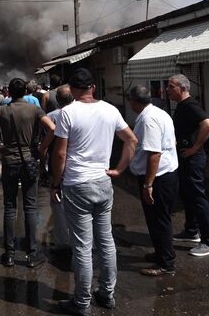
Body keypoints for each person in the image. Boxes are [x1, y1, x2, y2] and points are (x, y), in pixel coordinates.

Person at [52, 68, 137, 315]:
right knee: (106, 241)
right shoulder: (110, 110)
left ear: (72, 89)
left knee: (82, 246)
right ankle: (107, 295)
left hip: (77, 184)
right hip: (103, 182)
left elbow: (60, 153)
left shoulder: (68, 113)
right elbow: (132, 140)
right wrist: (119, 169)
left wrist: (56, 182)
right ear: (93, 87)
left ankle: (82, 303)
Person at [0, 78, 55, 268]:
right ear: (26, 92)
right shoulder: (34, 109)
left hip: (9, 161)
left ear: (9, 93)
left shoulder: (2, 110)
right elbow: (52, 128)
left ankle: (9, 254)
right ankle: (31, 254)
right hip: (29, 161)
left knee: (10, 207)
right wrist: (41, 149)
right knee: (30, 206)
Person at [127, 85, 179, 276]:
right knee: (155, 218)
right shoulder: (159, 112)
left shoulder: (148, 119)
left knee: (159, 219)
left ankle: (166, 263)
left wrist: (148, 184)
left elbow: (154, 154)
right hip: (165, 173)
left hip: (158, 177)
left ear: (134, 101)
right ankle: (161, 253)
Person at [166, 74, 209, 257]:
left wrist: (195, 148)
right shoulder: (181, 106)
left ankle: (208, 241)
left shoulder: (190, 105)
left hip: (193, 159)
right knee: (187, 195)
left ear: (182, 88)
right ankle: (191, 230)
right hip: (184, 158)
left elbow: (208, 125)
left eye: (171, 86)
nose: (167, 90)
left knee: (197, 197)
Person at [39, 84, 74, 252]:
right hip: (75, 166)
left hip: (56, 164)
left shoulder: (51, 116)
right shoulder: (81, 113)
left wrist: (42, 167)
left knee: (58, 204)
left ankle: (63, 244)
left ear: (57, 100)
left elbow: (44, 146)